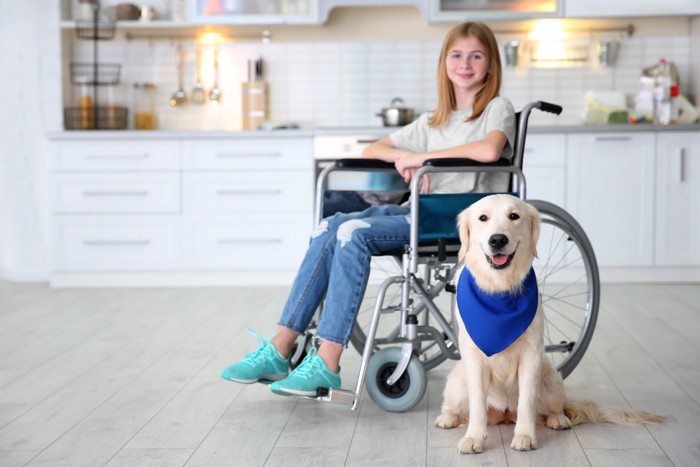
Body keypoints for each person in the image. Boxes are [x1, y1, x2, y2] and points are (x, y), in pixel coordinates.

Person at [221, 21, 516, 397]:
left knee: (351, 233)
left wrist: (421, 159)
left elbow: (489, 151)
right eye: (456, 55)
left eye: (476, 56)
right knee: (330, 226)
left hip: (456, 218)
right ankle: (282, 345)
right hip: (417, 213)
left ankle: (326, 361)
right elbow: (372, 149)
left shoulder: (496, 108)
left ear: (491, 64)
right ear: (444, 63)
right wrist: (405, 158)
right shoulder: (434, 121)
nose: (465, 64)